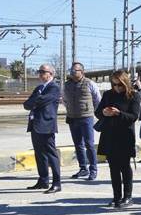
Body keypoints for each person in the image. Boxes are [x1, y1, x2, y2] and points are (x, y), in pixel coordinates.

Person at [96, 70, 141, 208]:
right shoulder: (108, 94)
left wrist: (118, 113)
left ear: (125, 83)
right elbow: (98, 112)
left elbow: (134, 116)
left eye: (119, 85)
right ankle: (116, 197)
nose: (117, 88)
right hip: (109, 135)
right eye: (114, 85)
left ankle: (128, 196)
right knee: (113, 168)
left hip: (125, 136)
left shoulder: (134, 95)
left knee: (124, 167)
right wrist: (103, 112)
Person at [23, 64, 62, 193]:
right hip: (35, 125)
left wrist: (36, 99)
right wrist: (36, 98)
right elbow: (26, 105)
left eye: (43, 71)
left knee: (51, 154)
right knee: (39, 154)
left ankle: (57, 183)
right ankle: (43, 180)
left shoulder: (54, 88)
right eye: (39, 71)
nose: (40, 74)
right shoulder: (39, 87)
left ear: (51, 73)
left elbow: (41, 101)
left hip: (47, 125)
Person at [63, 62, 100, 180]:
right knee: (78, 144)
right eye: (71, 71)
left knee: (89, 144)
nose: (72, 73)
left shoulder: (89, 83)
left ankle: (93, 169)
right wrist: (70, 109)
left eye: (75, 71)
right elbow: (64, 99)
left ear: (82, 72)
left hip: (86, 117)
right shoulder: (67, 85)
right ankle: (83, 168)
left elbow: (97, 99)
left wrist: (93, 112)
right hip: (72, 117)